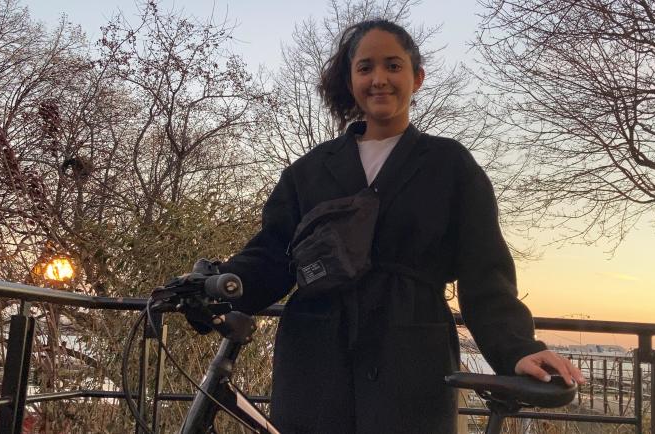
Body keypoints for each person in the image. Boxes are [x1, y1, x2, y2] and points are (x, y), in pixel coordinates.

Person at [219, 18, 585, 434]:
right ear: (350, 79)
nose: (379, 79)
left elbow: (486, 274)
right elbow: (272, 254)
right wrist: (219, 285)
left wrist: (517, 349)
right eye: (365, 68)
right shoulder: (310, 171)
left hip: (411, 360)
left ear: (418, 77)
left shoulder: (450, 165)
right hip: (315, 357)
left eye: (393, 66)